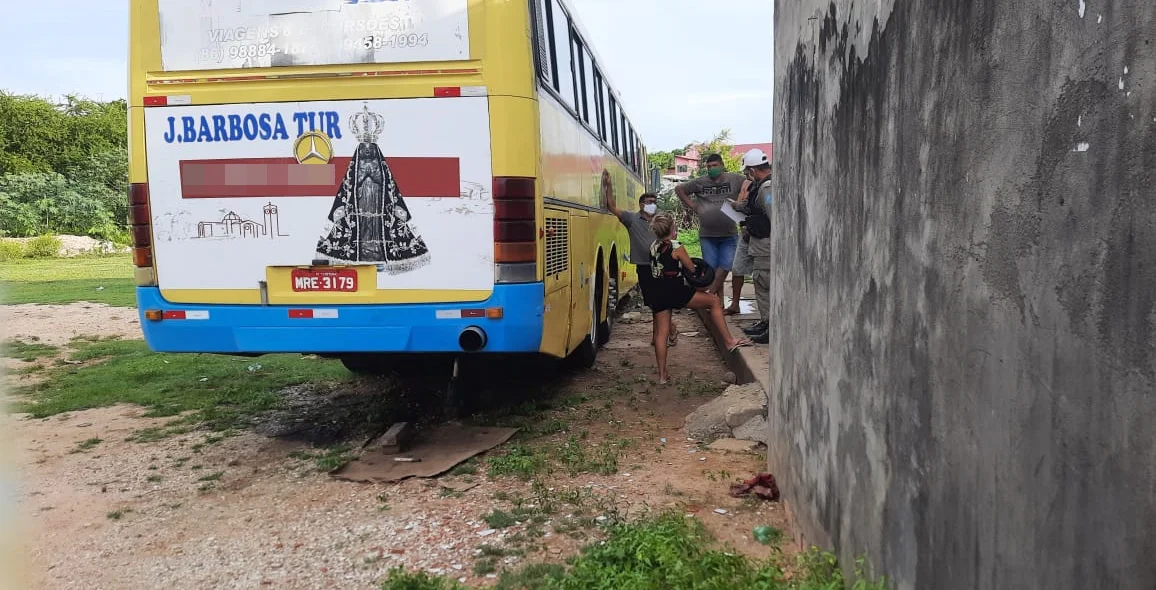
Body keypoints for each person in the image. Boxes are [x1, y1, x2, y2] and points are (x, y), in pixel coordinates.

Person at [647, 213, 751, 384]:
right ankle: (729, 341)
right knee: (714, 301)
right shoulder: (676, 246)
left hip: (658, 292)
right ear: (672, 229)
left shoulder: (653, 246)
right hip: (676, 290)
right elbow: (692, 269)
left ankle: (662, 376)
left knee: (661, 333)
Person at [602, 171, 677, 347]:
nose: (652, 205)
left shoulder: (662, 219)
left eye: (654, 202)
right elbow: (611, 207)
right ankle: (668, 329)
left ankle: (661, 334)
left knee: (662, 300)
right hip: (644, 266)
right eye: (649, 202)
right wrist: (608, 186)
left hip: (662, 266)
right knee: (651, 301)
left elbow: (673, 236)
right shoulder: (631, 219)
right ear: (641, 204)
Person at [675, 153, 746, 306]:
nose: (711, 169)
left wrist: (741, 200)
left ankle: (710, 295)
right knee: (712, 269)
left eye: (714, 166)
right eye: (708, 167)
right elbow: (679, 189)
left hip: (729, 234)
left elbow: (749, 183)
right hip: (707, 235)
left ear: (721, 165)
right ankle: (717, 303)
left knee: (726, 264)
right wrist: (692, 205)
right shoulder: (700, 182)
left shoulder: (734, 179)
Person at [734, 149, 773, 344]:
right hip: (762, 244)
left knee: (764, 284)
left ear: (753, 170)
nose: (747, 176)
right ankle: (766, 323)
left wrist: (754, 224)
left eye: (748, 171)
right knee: (761, 284)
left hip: (766, 246)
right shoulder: (764, 187)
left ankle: (770, 327)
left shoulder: (767, 189)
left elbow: (773, 216)